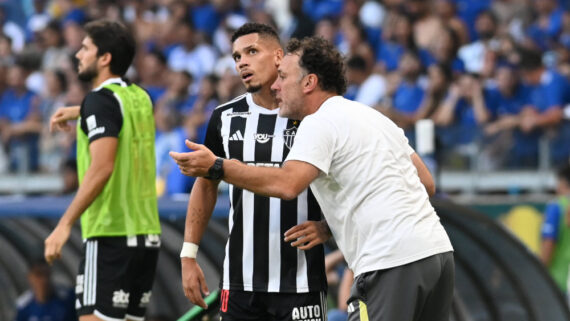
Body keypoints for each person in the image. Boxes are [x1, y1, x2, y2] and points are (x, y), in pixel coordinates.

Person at [171, 36, 455, 321]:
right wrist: (330, 226)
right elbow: (426, 183)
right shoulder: (372, 115)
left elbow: (287, 184)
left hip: (390, 261)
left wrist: (218, 167)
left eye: (283, 77)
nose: (275, 85)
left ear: (309, 83)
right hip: (437, 254)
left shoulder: (318, 123)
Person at [178, 23, 330, 320]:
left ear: (278, 57)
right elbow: (205, 185)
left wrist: (328, 227)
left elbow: (347, 181)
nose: (242, 62)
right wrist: (188, 254)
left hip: (302, 282)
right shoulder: (225, 117)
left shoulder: (315, 116)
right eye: (236, 57)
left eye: (251, 52)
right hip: (240, 284)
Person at [44, 19, 161, 321]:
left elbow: (102, 167)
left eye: (85, 48)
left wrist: (65, 224)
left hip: (110, 234)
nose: (78, 55)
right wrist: (79, 110)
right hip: (146, 236)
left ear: (104, 58)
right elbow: (114, 113)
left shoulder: (100, 102)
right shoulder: (140, 97)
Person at [540, 163, 570, 297]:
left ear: (563, 182)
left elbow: (549, 243)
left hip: (558, 282)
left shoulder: (557, 207)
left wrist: (538, 273)